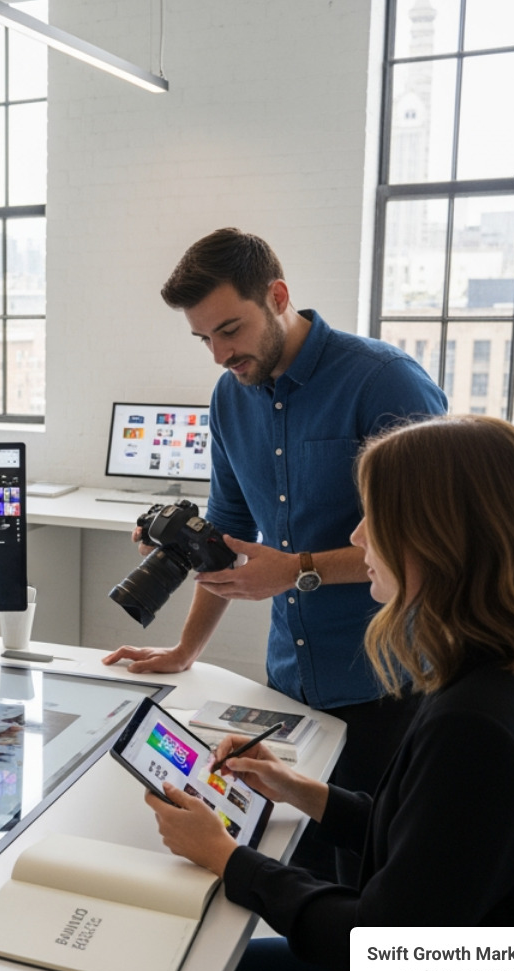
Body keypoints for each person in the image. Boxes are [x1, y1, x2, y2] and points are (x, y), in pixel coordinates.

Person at [145, 415, 514, 971]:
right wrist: (307, 794)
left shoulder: (479, 724)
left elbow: (381, 948)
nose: (358, 534)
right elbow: (444, 845)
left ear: (440, 537)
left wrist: (227, 859)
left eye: (376, 516)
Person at [103, 228, 447, 879]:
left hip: (392, 687)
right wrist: (186, 651)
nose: (218, 353)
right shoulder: (230, 397)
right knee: (303, 865)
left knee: (383, 877)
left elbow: (439, 537)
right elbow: (227, 537)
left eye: (229, 330)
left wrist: (297, 571)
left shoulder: (385, 383)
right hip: (292, 686)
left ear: (278, 297)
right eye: (204, 338)